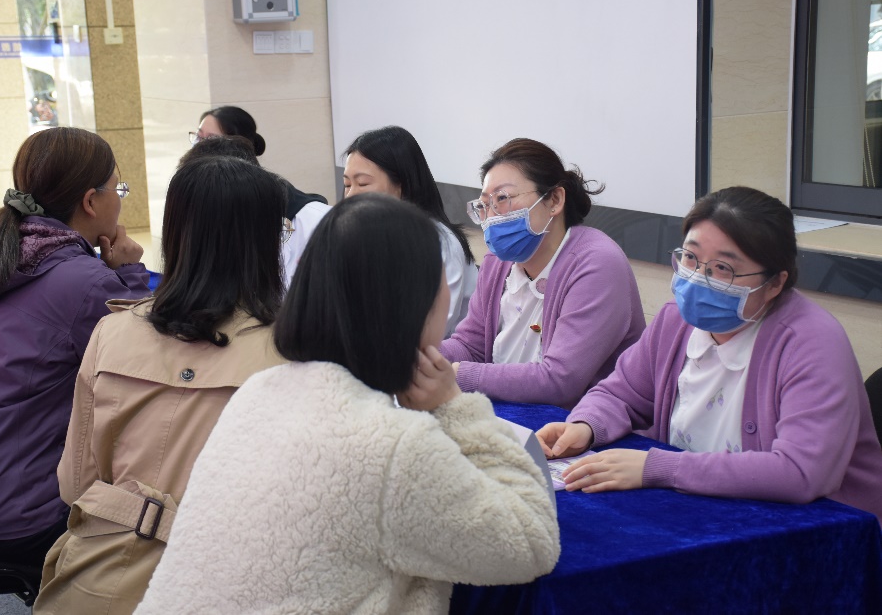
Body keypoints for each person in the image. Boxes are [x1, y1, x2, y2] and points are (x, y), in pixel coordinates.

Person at [134, 194, 560, 614]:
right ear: (412, 303)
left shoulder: (258, 391)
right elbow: (532, 542)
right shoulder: (392, 446)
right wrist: (455, 407)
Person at [34, 155, 288, 614]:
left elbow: (74, 485)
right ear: (264, 241)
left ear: (174, 235)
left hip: (96, 584)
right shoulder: (296, 352)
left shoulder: (112, 333)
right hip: (227, 588)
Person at [536, 186, 882, 522]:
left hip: (821, 532)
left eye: (723, 269)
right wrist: (586, 426)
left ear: (775, 283)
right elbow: (620, 393)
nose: (699, 278)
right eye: (690, 258)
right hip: (702, 514)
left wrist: (659, 467)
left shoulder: (811, 342)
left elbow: (799, 471)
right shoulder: (675, 320)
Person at [0, 127, 150, 567]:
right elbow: (147, 361)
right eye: (117, 188)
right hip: (24, 522)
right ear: (90, 201)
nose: (120, 200)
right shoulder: (86, 284)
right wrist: (130, 273)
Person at [440, 138, 645, 408]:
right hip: (510, 410)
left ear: (555, 200)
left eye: (502, 199)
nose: (491, 217)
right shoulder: (497, 262)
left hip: (575, 423)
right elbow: (470, 346)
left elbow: (559, 380)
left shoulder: (597, 264)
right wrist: (422, 357)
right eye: (484, 205)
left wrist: (456, 375)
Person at [344, 125, 477, 336]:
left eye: (362, 183)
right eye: (346, 184)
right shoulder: (367, 237)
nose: (350, 195)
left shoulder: (440, 244)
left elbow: (430, 334)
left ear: (402, 185)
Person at [190, 106, 330, 283]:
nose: (199, 146)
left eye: (210, 139)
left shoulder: (308, 217)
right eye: (198, 137)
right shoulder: (203, 202)